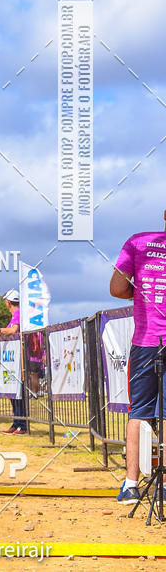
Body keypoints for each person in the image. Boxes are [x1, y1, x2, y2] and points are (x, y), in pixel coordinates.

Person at [110, 212, 166, 504]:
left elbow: (117, 288)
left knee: (139, 412)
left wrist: (142, 294)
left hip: (147, 342)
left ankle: (131, 484)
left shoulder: (139, 242)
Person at [0, 290, 26, 433]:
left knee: (18, 394)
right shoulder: (18, 314)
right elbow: (8, 331)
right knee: (13, 393)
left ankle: (22, 424)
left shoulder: (18, 313)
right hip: (13, 360)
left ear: (8, 302)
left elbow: (13, 330)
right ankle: (16, 423)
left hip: (18, 360)